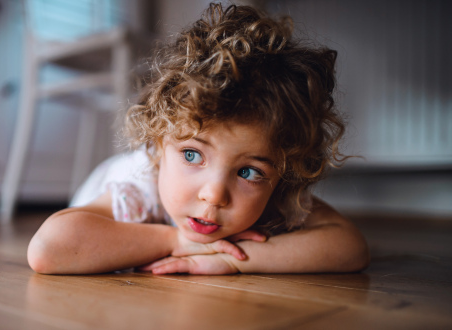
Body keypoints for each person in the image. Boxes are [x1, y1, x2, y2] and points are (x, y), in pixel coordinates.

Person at [27, 3, 370, 275]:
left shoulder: (278, 195)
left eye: (248, 172)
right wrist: (174, 240)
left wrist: (234, 259)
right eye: (192, 155)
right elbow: (49, 249)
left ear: (284, 173)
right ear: (159, 145)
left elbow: (349, 246)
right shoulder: (138, 187)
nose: (214, 195)